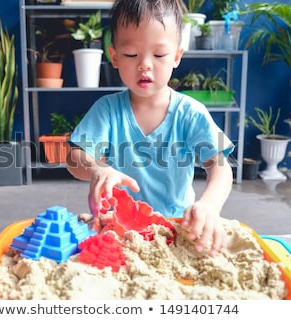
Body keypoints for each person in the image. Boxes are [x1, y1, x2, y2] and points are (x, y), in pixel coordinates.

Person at [66, 0, 234, 256]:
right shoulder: (108, 110)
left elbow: (220, 166)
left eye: (159, 55)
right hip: (119, 230)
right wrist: (97, 168)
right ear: (114, 57)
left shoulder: (190, 113)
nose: (145, 64)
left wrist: (209, 204)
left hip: (176, 229)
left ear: (177, 56)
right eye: (132, 54)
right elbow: (74, 159)